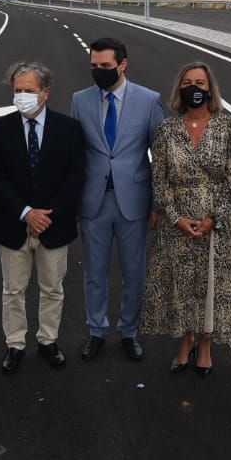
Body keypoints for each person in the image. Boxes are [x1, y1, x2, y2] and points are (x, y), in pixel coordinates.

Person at [140, 62, 231, 377]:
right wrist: (174, 217)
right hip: (177, 226)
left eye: (200, 82)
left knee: (212, 286)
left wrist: (214, 218)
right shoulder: (167, 129)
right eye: (188, 82)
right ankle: (185, 341)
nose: (194, 88)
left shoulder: (228, 127)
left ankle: (205, 344)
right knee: (181, 286)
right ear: (180, 89)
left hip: (217, 224)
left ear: (210, 88)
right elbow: (158, 179)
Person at [0, 61, 84, 374]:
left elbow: (75, 176)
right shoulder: (0, 128)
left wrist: (46, 215)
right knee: (12, 290)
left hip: (54, 224)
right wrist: (26, 212)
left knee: (52, 288)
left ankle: (47, 340)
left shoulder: (68, 129)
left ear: (45, 93)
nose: (22, 96)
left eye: (29, 90)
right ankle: (15, 344)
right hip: (12, 223)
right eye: (18, 91)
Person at [71, 37, 166, 361]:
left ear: (123, 65)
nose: (98, 72)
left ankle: (129, 331)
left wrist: (157, 204)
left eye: (105, 67)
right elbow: (76, 155)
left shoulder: (149, 100)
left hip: (134, 201)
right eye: (94, 67)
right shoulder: (79, 100)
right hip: (93, 202)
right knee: (94, 273)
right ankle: (96, 330)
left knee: (133, 272)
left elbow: (162, 156)